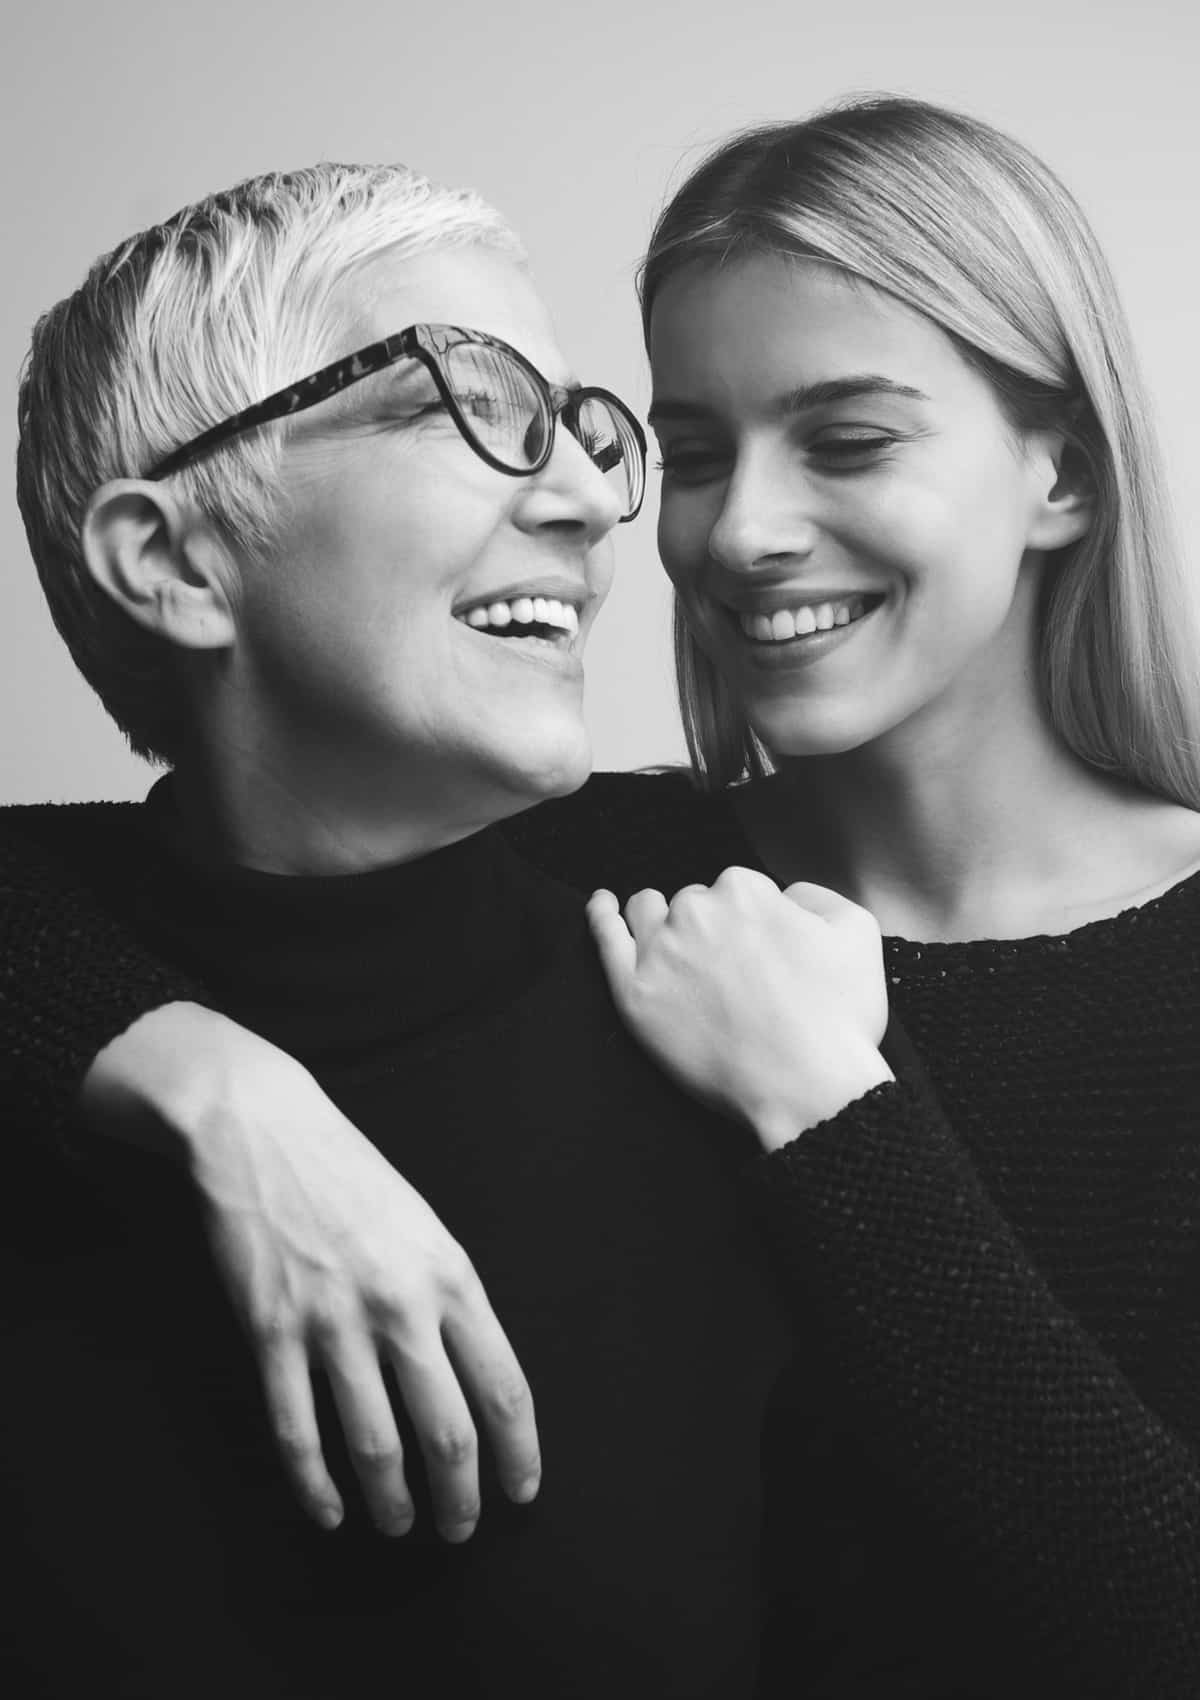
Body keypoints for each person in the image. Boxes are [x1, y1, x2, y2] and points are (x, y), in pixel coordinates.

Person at [5, 93, 1200, 1695]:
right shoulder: (594, 880)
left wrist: (835, 1116)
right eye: (691, 452)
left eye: (848, 439)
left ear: (1063, 474)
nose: (735, 530)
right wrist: (203, 1080)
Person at [2, 160, 803, 1699]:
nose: (581, 500)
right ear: (170, 562)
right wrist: (217, 1091)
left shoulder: (730, 955)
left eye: (579, 426)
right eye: (462, 406)